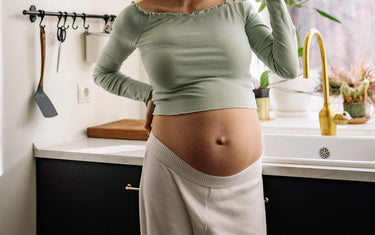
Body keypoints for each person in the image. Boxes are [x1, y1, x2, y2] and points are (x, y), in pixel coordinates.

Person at [93, 0, 298, 234]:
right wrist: (147, 93)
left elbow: (288, 67)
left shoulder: (238, 8)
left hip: (243, 184)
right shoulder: (136, 16)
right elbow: (103, 73)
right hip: (171, 173)